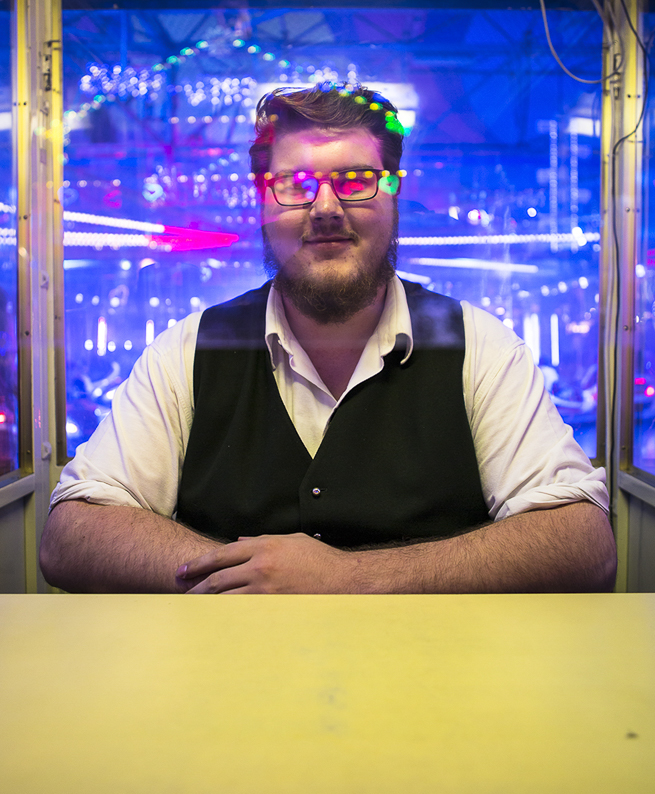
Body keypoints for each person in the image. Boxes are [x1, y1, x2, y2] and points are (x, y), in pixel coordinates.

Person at [39, 84, 617, 595]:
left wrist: (350, 579)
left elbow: (583, 543)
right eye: (295, 182)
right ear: (261, 201)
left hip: (437, 696)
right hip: (221, 695)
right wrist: (247, 574)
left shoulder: (482, 348)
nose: (325, 207)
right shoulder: (186, 352)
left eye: (356, 180)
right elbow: (70, 535)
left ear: (393, 194)